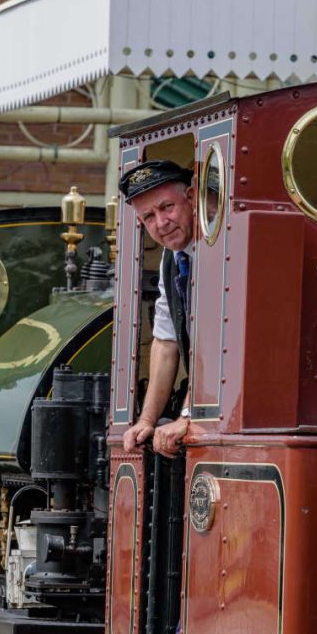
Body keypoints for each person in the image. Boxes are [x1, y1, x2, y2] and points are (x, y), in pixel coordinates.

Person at [119, 159, 197, 459]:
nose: (161, 223)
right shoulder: (171, 258)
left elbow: (220, 342)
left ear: (191, 198)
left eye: (167, 207)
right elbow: (165, 342)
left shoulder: (220, 247)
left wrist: (190, 416)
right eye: (149, 216)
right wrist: (147, 420)